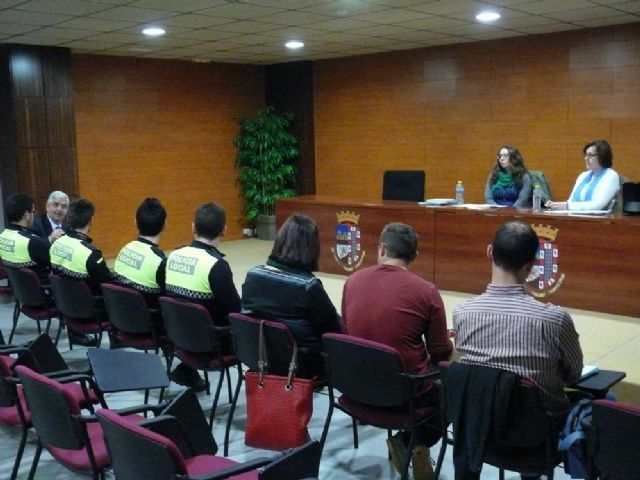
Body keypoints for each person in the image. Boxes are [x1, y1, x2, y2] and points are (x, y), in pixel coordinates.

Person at [342, 222, 452, 480]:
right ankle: (411, 441)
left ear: (381, 248)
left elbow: (348, 334)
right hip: (405, 394)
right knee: (453, 388)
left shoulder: (352, 281)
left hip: (355, 386)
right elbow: (440, 353)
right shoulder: (426, 292)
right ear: (414, 256)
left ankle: (407, 443)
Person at [453, 221, 583, 413]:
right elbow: (574, 376)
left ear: (489, 252)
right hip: (540, 430)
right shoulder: (555, 319)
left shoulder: (462, 313)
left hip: (481, 426)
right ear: (532, 265)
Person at [242, 213, 342, 380]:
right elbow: (333, 332)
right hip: (303, 366)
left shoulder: (253, 275)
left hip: (261, 356)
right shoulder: (308, 286)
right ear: (312, 248)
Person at [165, 202, 241, 391]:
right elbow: (236, 310)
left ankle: (186, 369)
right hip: (212, 345)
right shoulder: (216, 265)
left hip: (177, 336)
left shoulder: (173, 256)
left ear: (193, 227)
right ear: (224, 230)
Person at [49, 198, 114, 295]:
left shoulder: (55, 243)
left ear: (68, 218)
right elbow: (109, 284)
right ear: (91, 220)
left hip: (62, 302)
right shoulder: (91, 254)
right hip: (89, 307)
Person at [113, 197, 167, 307]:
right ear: (165, 225)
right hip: (149, 321)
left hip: (121, 317)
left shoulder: (124, 249)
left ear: (135, 223)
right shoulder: (160, 262)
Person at [546, 140, 620, 211]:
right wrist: (556, 205)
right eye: (586, 155)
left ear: (602, 156)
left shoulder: (611, 176)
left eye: (590, 155)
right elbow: (571, 202)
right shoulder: (583, 176)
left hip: (599, 221)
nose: (586, 158)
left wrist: (567, 205)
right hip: (576, 217)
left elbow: (597, 205)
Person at [0, 193, 50, 282]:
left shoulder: (3, 236)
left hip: (18, 291)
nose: (34, 215)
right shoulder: (31, 242)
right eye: (33, 212)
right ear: (27, 214)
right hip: (42, 290)